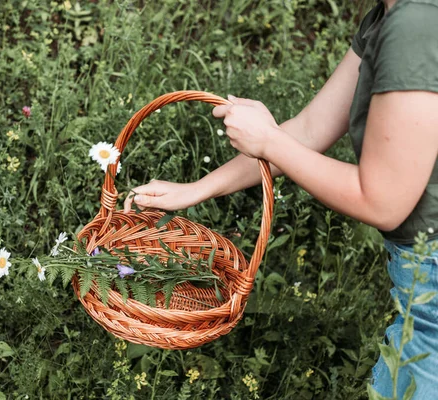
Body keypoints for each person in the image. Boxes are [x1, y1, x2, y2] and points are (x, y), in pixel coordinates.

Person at [123, 0, 438, 397]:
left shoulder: (417, 22)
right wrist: (196, 190)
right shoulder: (388, 17)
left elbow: (383, 202)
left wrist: (268, 140)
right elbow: (308, 129)